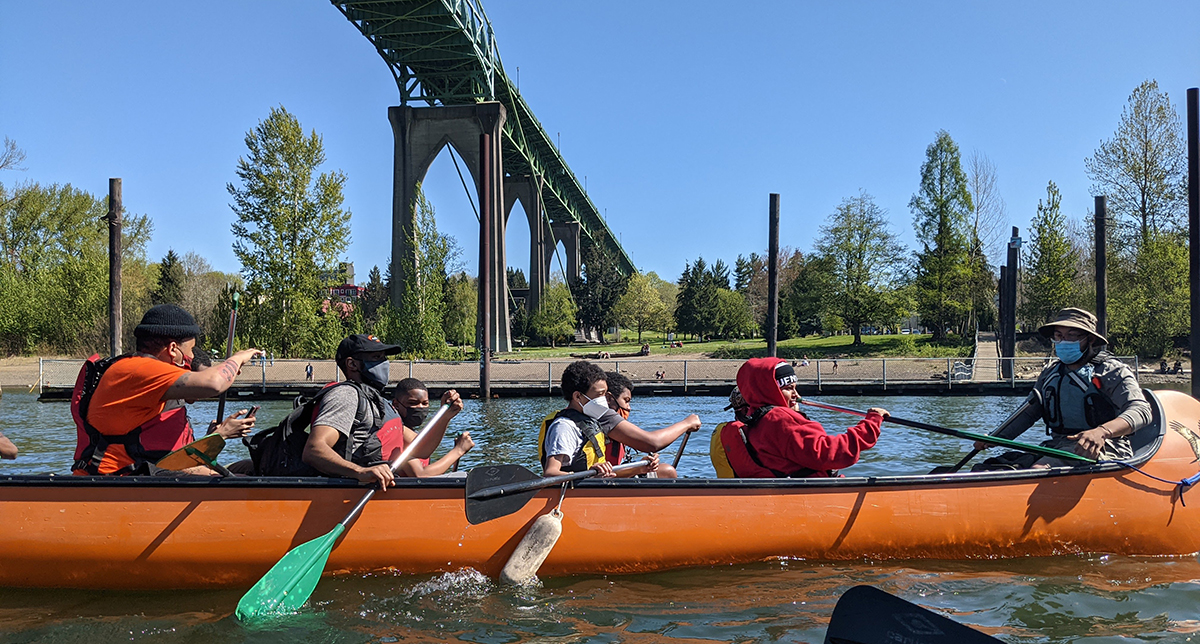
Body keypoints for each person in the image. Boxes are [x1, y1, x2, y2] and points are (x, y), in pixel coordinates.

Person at [71, 304, 261, 476]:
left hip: (152, 473)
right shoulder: (139, 370)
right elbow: (214, 384)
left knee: (254, 466)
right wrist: (238, 357)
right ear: (173, 349)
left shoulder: (149, 379)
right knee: (250, 480)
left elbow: (174, 459)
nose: (192, 355)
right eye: (191, 349)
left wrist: (215, 437)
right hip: (120, 482)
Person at [973, 308, 1151, 468]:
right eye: (1058, 336)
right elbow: (1028, 413)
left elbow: (1141, 411)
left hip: (1106, 447)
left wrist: (1101, 432)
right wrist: (994, 437)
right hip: (1057, 447)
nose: (1063, 341)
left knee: (1039, 469)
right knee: (996, 466)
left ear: (1088, 339)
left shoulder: (1112, 371)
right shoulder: (1050, 373)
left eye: (1071, 335)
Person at [712, 358, 887, 478]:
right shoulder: (779, 419)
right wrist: (872, 422)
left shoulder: (754, 418)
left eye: (795, 387)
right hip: (812, 498)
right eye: (789, 388)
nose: (796, 394)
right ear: (770, 390)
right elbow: (830, 453)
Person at [300, 334, 403, 488]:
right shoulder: (346, 395)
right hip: (351, 490)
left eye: (384, 357)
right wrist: (360, 472)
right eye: (376, 357)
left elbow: (419, 444)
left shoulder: (375, 399)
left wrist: (448, 414)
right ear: (352, 364)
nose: (384, 363)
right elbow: (314, 450)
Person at [538, 361, 658, 478]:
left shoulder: (590, 421)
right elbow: (551, 473)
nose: (604, 400)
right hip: (577, 494)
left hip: (596, 488)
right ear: (578, 396)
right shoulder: (564, 427)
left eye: (605, 394)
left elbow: (605, 475)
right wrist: (588, 475)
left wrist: (639, 469)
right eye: (600, 394)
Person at [601, 371, 700, 478]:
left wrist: (641, 465)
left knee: (665, 472)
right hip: (599, 482)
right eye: (626, 401)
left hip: (610, 476)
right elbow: (653, 443)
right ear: (609, 399)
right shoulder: (604, 418)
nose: (629, 407)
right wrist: (687, 423)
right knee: (667, 472)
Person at [381, 377, 472, 477]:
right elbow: (420, 474)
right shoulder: (397, 431)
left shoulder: (411, 431)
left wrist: (447, 414)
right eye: (413, 403)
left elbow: (424, 442)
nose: (420, 407)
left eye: (425, 403)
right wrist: (458, 450)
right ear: (396, 404)